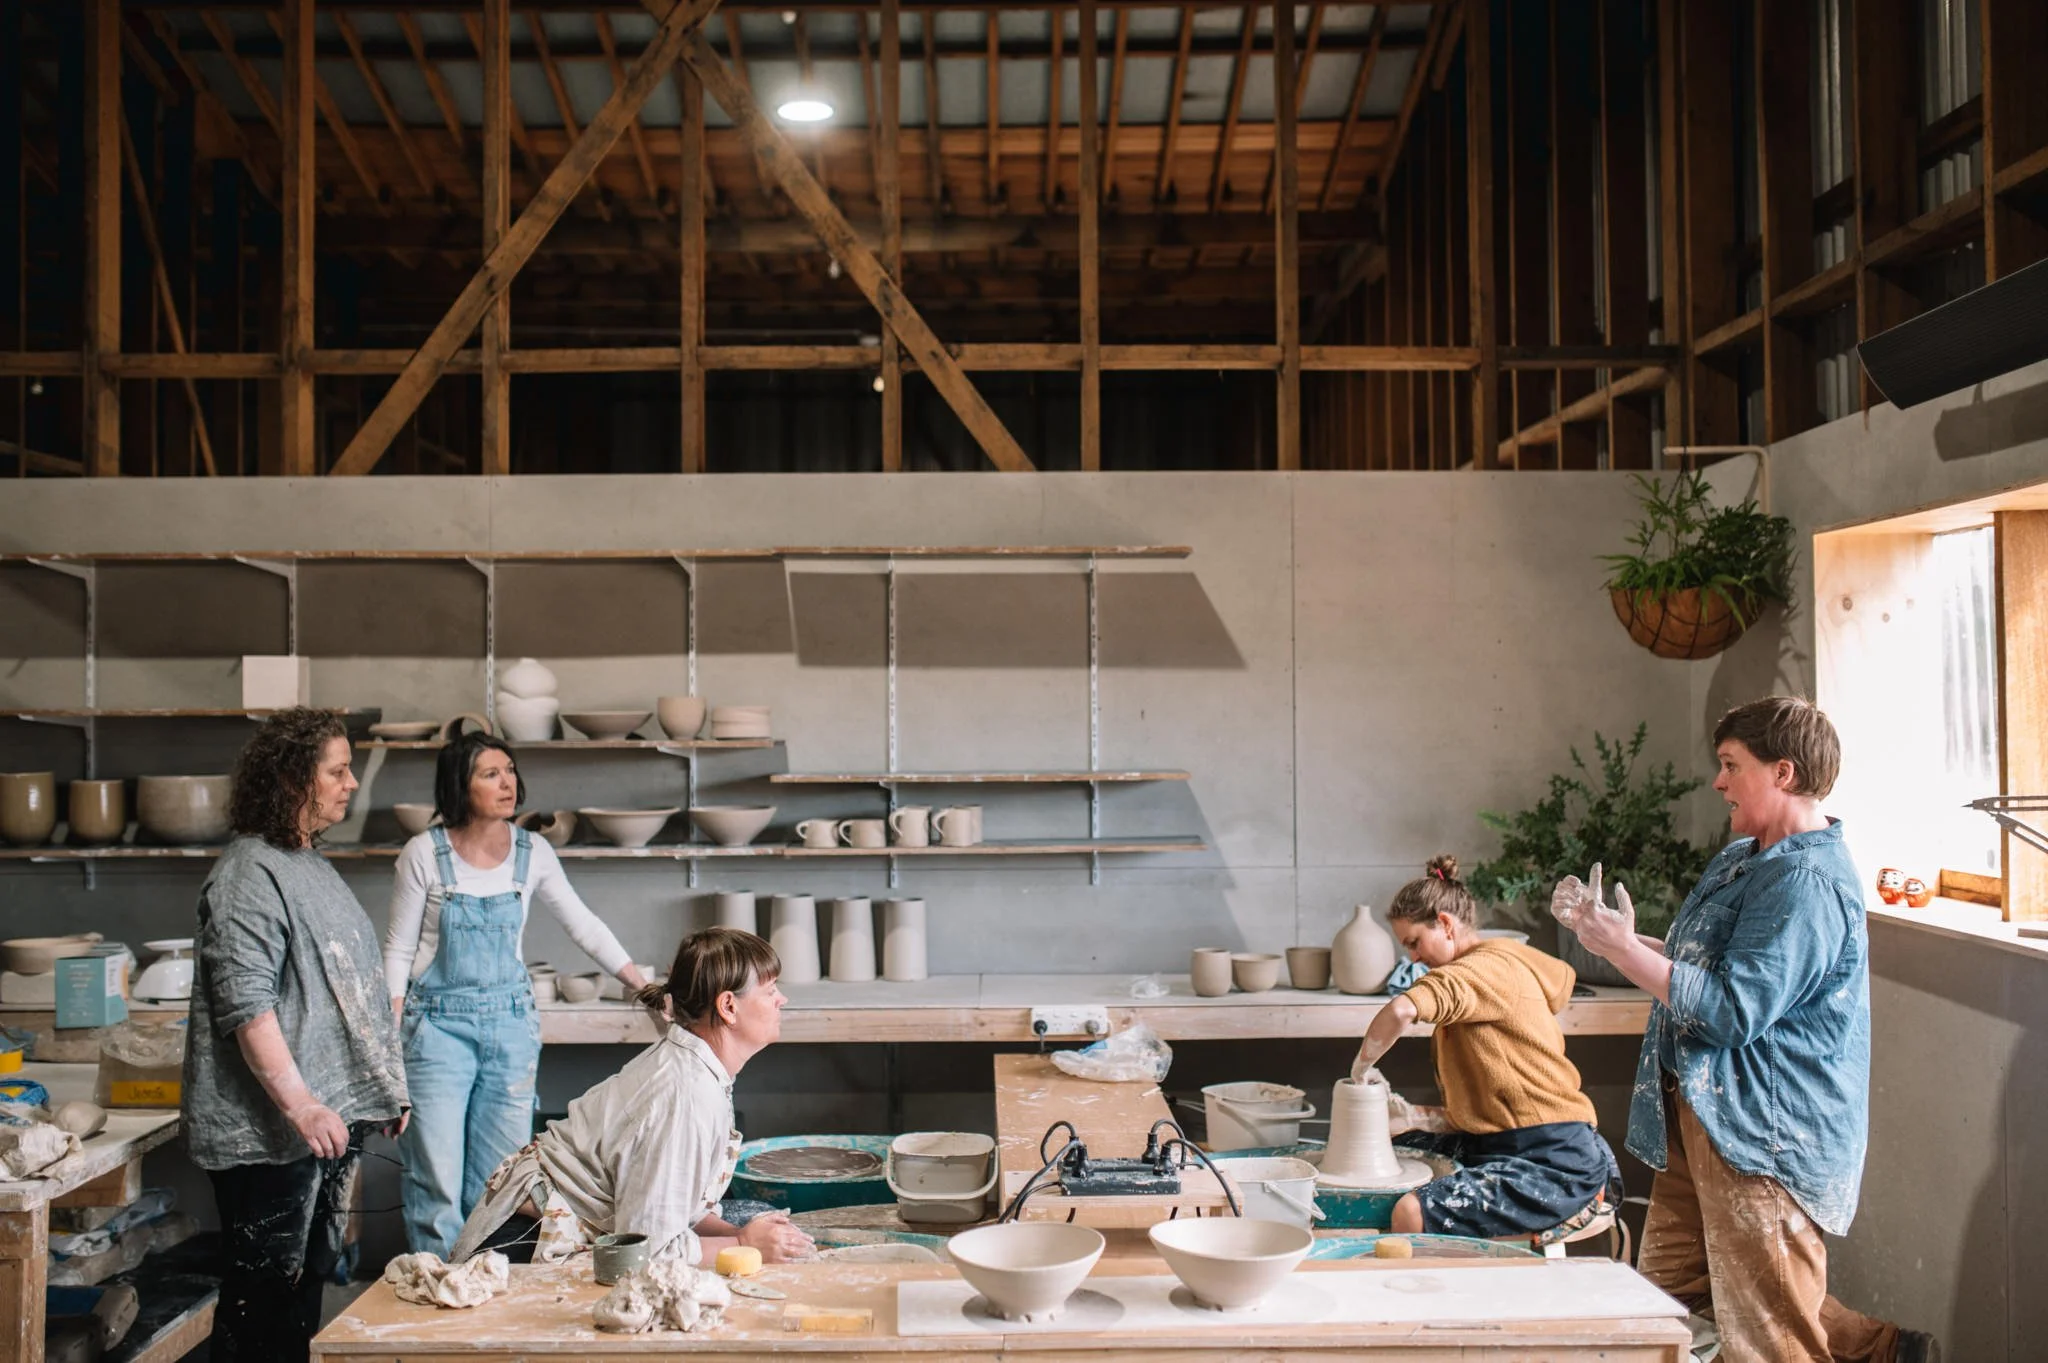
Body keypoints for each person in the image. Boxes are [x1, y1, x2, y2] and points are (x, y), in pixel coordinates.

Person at [1554, 696, 1936, 1363]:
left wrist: (1622, 951)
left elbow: (1732, 1009)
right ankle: (1890, 1351)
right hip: (1704, 1113)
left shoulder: (1809, 880)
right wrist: (1603, 932)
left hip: (1764, 1135)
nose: (1718, 781)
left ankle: (1886, 1352)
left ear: (1782, 771)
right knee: (1675, 1307)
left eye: (1731, 765)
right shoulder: (1743, 857)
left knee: (1769, 1337)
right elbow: (1695, 963)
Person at [183, 708, 407, 1361]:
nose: (351, 781)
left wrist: (381, 1086)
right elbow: (246, 1003)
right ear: (290, 777)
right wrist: (302, 1103)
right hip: (271, 1136)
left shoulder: (306, 862)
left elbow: (344, 985)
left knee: (301, 1293)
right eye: (336, 769)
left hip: (319, 1129)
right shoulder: (250, 872)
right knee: (264, 1305)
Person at [384, 731, 649, 1256]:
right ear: (459, 785)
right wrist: (387, 1054)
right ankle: (438, 1301)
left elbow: (584, 926)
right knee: (434, 1177)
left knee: (500, 1180)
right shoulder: (424, 854)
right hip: (435, 1030)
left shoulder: (533, 852)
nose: (506, 782)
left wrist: (642, 985)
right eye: (490, 773)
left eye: (509, 770)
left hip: (509, 1029)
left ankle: (485, 1289)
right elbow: (396, 951)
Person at [447, 927, 814, 1268]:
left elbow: (673, 1205)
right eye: (770, 990)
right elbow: (646, 1248)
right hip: (519, 1248)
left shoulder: (695, 1067)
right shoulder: (685, 1094)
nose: (782, 999)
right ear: (729, 1007)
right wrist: (746, 1245)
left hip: (574, 1228)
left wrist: (738, 1233)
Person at [1351, 855, 1620, 1241]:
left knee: (1411, 1212)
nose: (1413, 958)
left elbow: (1402, 1008)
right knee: (1393, 1147)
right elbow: (1496, 1100)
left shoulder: (1483, 969)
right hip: (1507, 1141)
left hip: (1554, 1159)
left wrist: (1360, 1069)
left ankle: (1437, 1299)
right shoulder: (1489, 965)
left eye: (1414, 942)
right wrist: (1418, 1116)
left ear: (1444, 924)